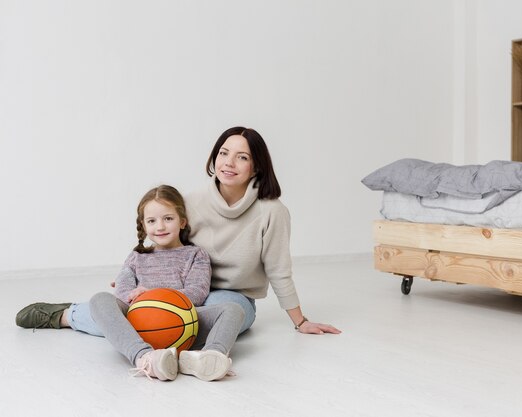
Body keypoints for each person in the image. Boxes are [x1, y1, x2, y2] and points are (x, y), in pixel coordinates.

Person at [16, 126, 340, 339]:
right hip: (176, 287)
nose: (229, 162)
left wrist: (299, 320)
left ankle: (94, 321)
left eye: (242, 157)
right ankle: (67, 315)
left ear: (256, 167)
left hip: (231, 297)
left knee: (177, 326)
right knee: (153, 322)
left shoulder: (273, 212)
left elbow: (279, 270)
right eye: (223, 153)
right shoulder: (191, 201)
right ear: (214, 156)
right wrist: (137, 274)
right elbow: (166, 243)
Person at [91, 185, 243, 381]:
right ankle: (145, 357)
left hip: (182, 320)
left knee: (234, 309)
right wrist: (144, 300)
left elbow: (197, 292)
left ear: (182, 222)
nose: (160, 227)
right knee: (99, 299)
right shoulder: (136, 257)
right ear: (144, 226)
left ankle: (208, 357)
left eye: (168, 219)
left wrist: (153, 294)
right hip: (140, 320)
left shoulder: (195, 254)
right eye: (152, 221)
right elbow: (123, 292)